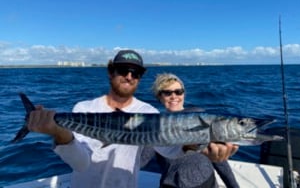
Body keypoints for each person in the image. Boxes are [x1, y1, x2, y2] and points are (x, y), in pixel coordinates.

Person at [26, 50, 183, 188]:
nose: (129, 76)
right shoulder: (84, 108)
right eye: (123, 70)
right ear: (110, 72)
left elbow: (169, 150)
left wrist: (192, 142)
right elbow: (80, 164)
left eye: (136, 73)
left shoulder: (149, 113)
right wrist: (60, 133)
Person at [150, 73, 240, 188]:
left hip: (206, 183)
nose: (174, 96)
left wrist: (234, 186)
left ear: (184, 94)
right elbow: (144, 154)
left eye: (178, 91)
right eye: (167, 93)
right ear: (159, 97)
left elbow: (218, 158)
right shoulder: (154, 125)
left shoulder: (200, 116)